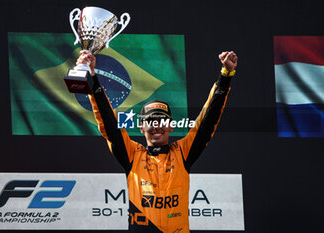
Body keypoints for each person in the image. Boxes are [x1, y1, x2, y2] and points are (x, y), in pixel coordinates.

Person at [77, 50, 237, 233]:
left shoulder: (182, 152)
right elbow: (108, 123)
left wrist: (225, 76)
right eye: (150, 121)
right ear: (141, 128)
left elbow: (208, 120)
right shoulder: (132, 155)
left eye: (161, 121)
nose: (156, 126)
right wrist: (92, 79)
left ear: (170, 126)